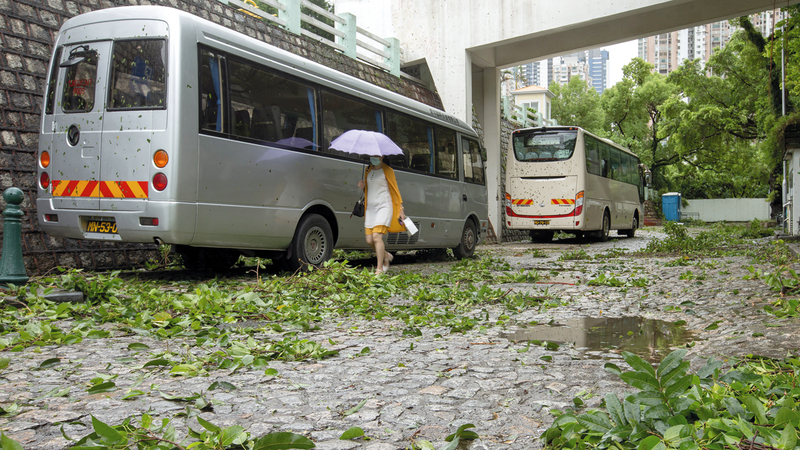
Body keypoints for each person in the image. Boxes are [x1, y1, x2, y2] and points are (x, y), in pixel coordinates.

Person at [358, 155, 406, 274]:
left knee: (376, 237)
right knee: (369, 240)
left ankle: (379, 268)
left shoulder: (388, 170)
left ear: (382, 156)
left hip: (384, 207)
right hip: (370, 208)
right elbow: (370, 190)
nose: (373, 157)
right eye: (372, 155)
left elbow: (395, 191)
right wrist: (363, 188)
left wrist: (401, 209)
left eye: (376, 155)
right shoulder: (368, 169)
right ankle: (386, 255)